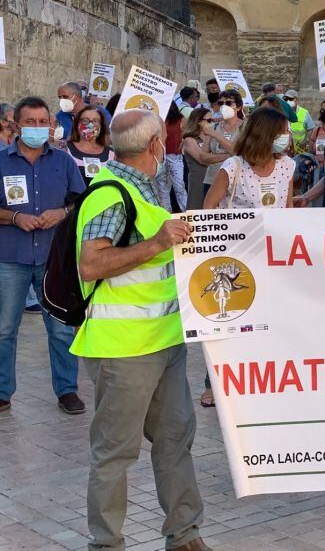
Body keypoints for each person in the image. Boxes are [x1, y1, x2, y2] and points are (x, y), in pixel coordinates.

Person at [73, 110, 209, 551]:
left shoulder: (143, 190)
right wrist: (156, 243)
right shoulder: (110, 194)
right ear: (154, 146)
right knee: (115, 452)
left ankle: (185, 537)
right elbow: (91, 263)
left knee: (174, 441)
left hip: (164, 342)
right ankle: (106, 545)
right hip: (124, 349)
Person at [0, 96, 86, 415]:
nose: (37, 128)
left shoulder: (63, 163)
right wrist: (13, 217)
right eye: (30, 122)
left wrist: (62, 212)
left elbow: (80, 201)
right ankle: (2, 391)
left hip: (53, 258)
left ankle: (67, 390)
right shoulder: (1, 161)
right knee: (5, 328)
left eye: (42, 122)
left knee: (62, 327)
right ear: (16, 125)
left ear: (51, 125)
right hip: (11, 257)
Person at [204, 107, 295, 210]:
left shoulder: (287, 165)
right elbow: (209, 206)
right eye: (285, 131)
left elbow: (288, 205)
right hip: (239, 226)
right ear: (267, 134)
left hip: (275, 226)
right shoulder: (233, 166)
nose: (288, 135)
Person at [181, 108, 232, 210]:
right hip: (198, 180)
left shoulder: (212, 137)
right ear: (198, 122)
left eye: (213, 120)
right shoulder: (189, 140)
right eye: (209, 120)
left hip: (213, 177)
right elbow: (202, 159)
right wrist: (229, 155)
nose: (211, 123)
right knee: (197, 208)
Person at [202, 90, 241, 195]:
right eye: (220, 103)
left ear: (238, 107)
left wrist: (215, 135)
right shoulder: (213, 127)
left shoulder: (245, 128)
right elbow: (203, 157)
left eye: (228, 103)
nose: (224, 106)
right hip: (212, 179)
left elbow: (239, 152)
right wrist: (229, 156)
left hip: (237, 181)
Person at [66, 105, 115, 184]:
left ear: (101, 125)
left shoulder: (112, 154)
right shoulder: (64, 149)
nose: (90, 125)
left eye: (95, 121)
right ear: (77, 123)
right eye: (85, 120)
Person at [155, 102, 187, 211]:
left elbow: (189, 132)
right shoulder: (158, 119)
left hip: (175, 156)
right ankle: (167, 214)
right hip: (160, 156)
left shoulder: (180, 120)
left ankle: (186, 212)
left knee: (179, 186)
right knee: (162, 187)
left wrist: (185, 141)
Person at [307, 102, 325, 179]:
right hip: (317, 171)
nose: (324, 111)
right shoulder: (317, 131)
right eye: (322, 109)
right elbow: (310, 151)